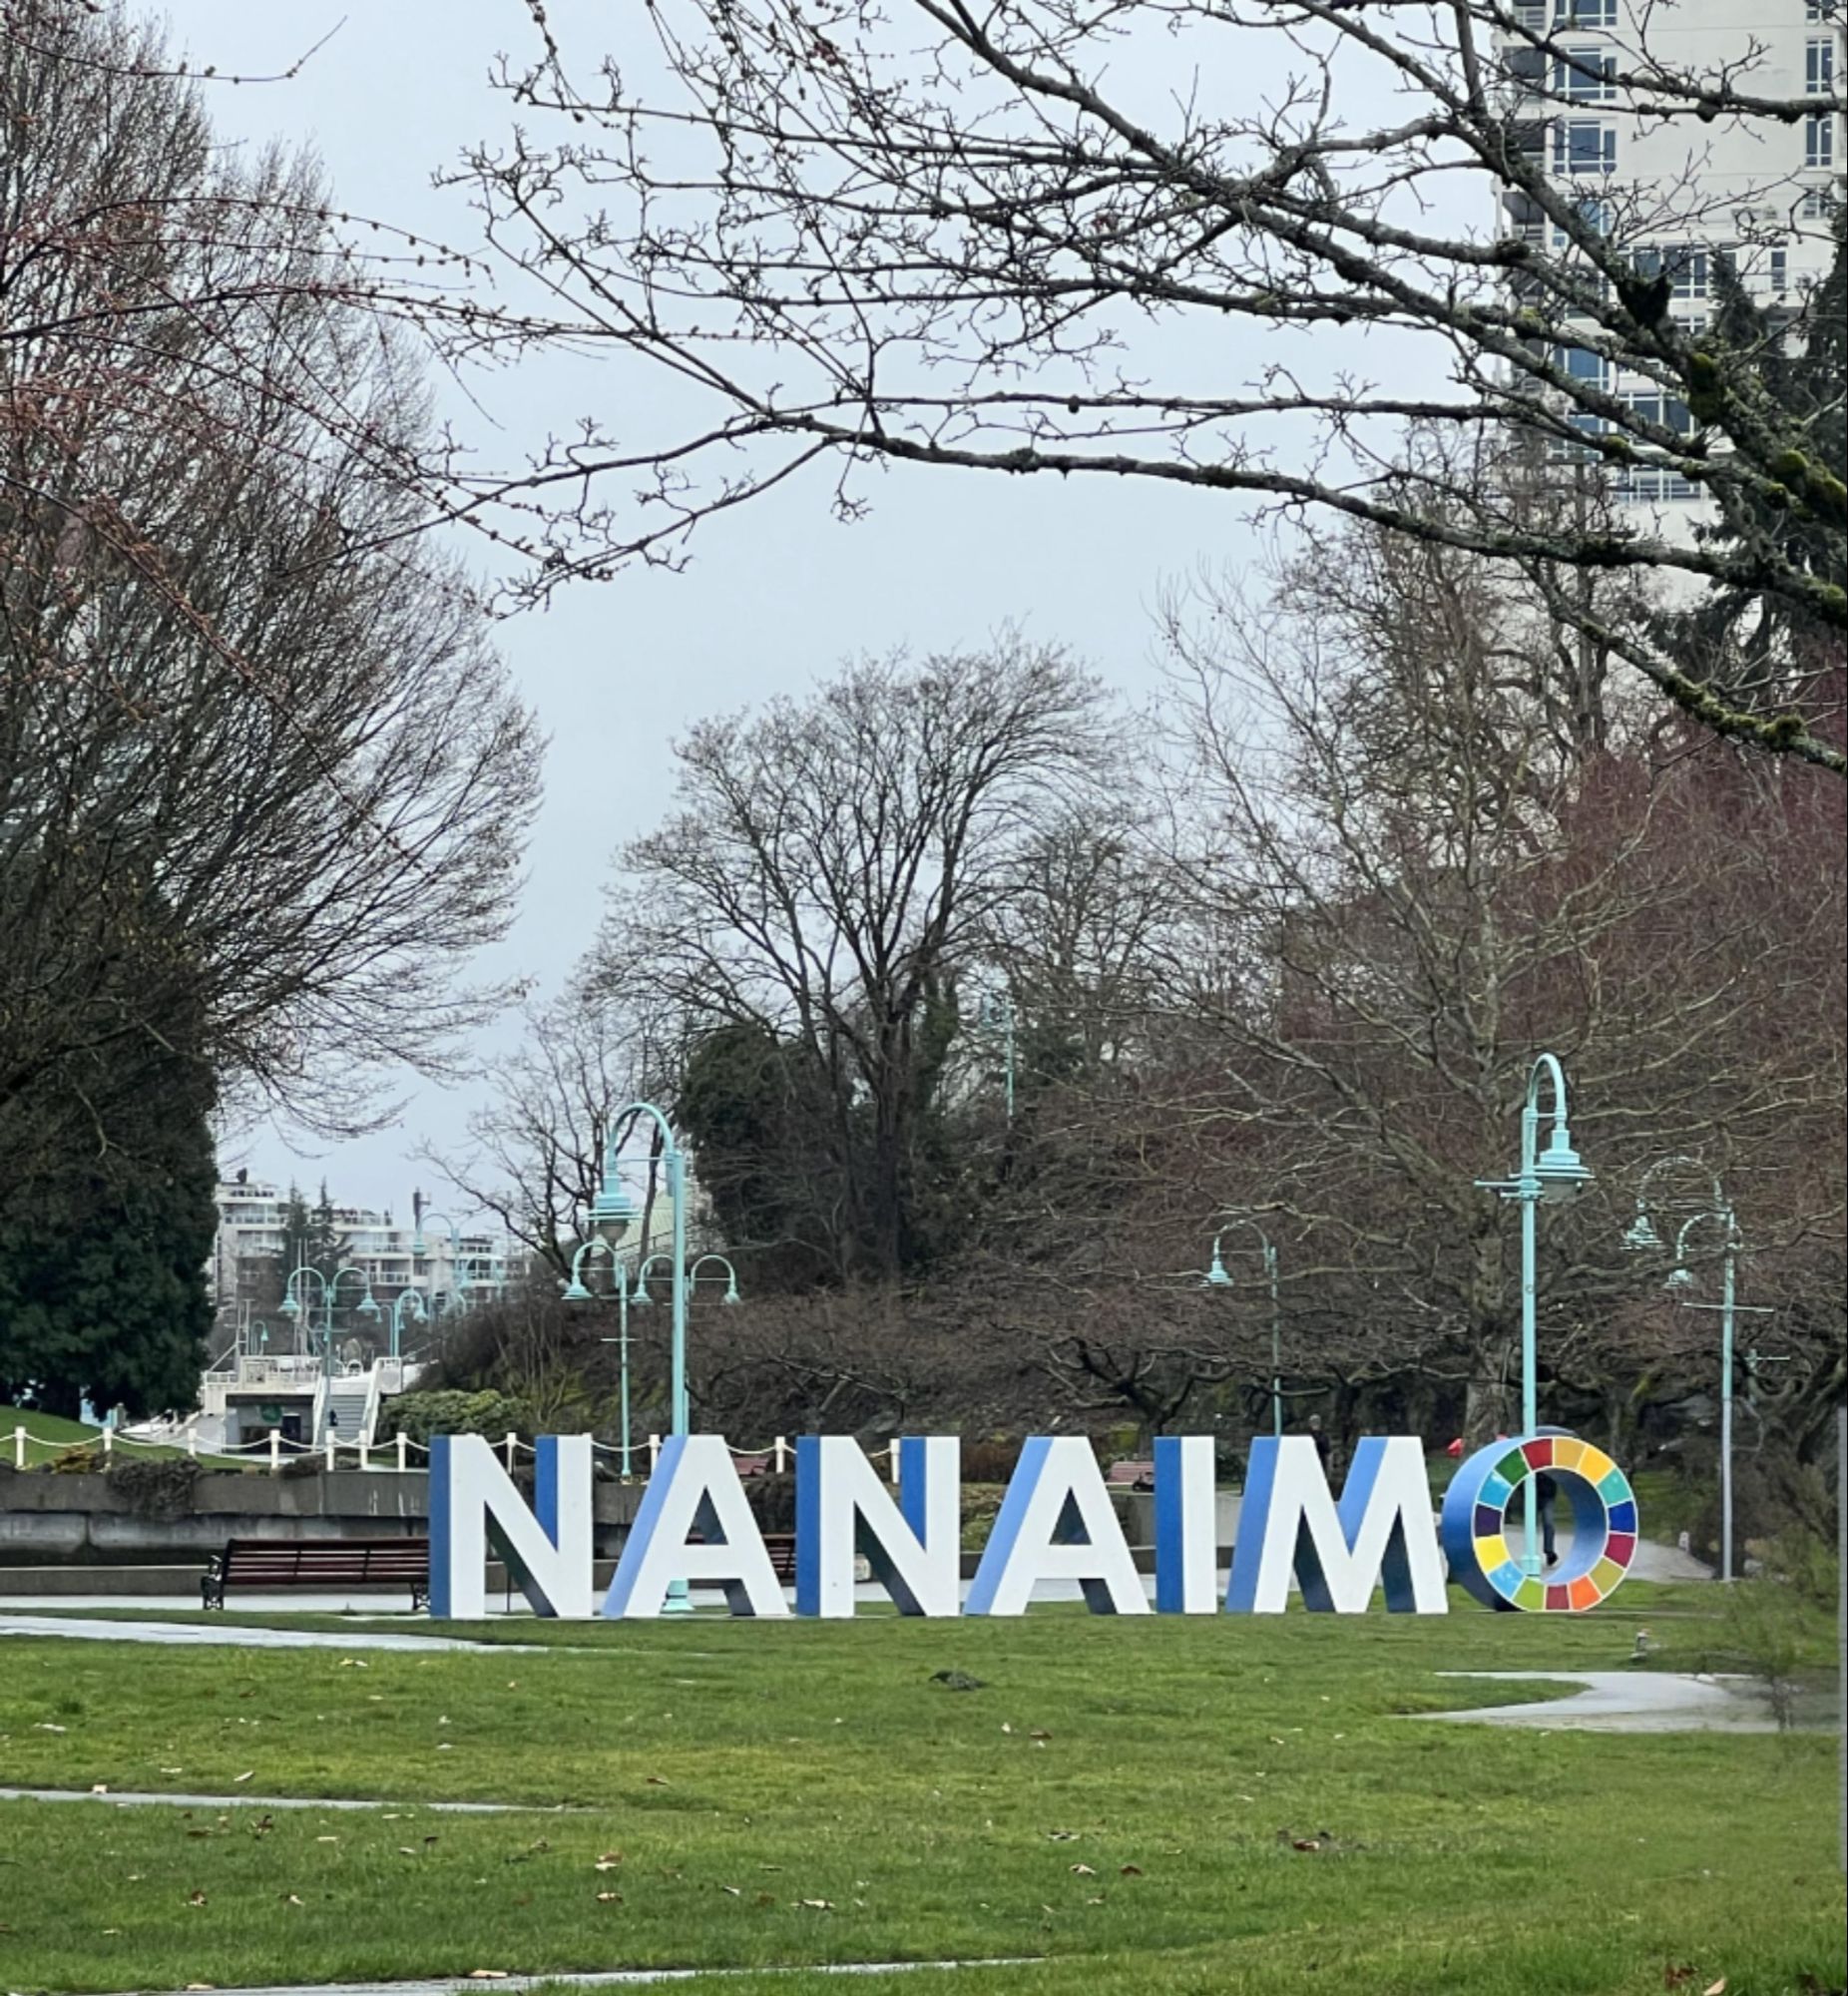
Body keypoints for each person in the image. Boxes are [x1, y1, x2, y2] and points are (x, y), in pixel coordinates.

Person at [1535, 1470, 1560, 1568]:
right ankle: (1531, 1554)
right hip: (1532, 1492)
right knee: (1532, 1523)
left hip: (1547, 1495)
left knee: (1548, 1523)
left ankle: (1549, 1552)